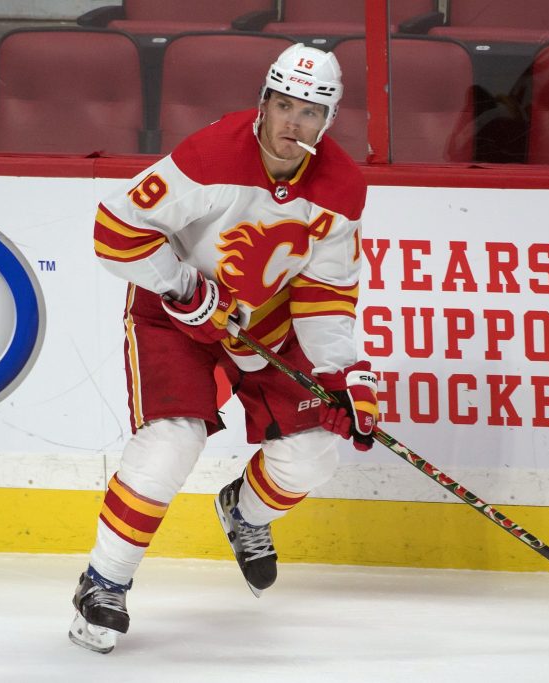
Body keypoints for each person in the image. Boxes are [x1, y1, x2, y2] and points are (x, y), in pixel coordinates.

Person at [69, 43, 379, 654]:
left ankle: (246, 514)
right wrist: (185, 286)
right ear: (263, 102)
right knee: (172, 439)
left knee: (315, 456)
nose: (294, 123)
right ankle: (102, 584)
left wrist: (343, 373)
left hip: (266, 322)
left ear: (329, 120)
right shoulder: (210, 157)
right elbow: (113, 232)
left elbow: (323, 290)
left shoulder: (342, 186)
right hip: (172, 313)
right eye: (284, 105)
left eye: (310, 112)